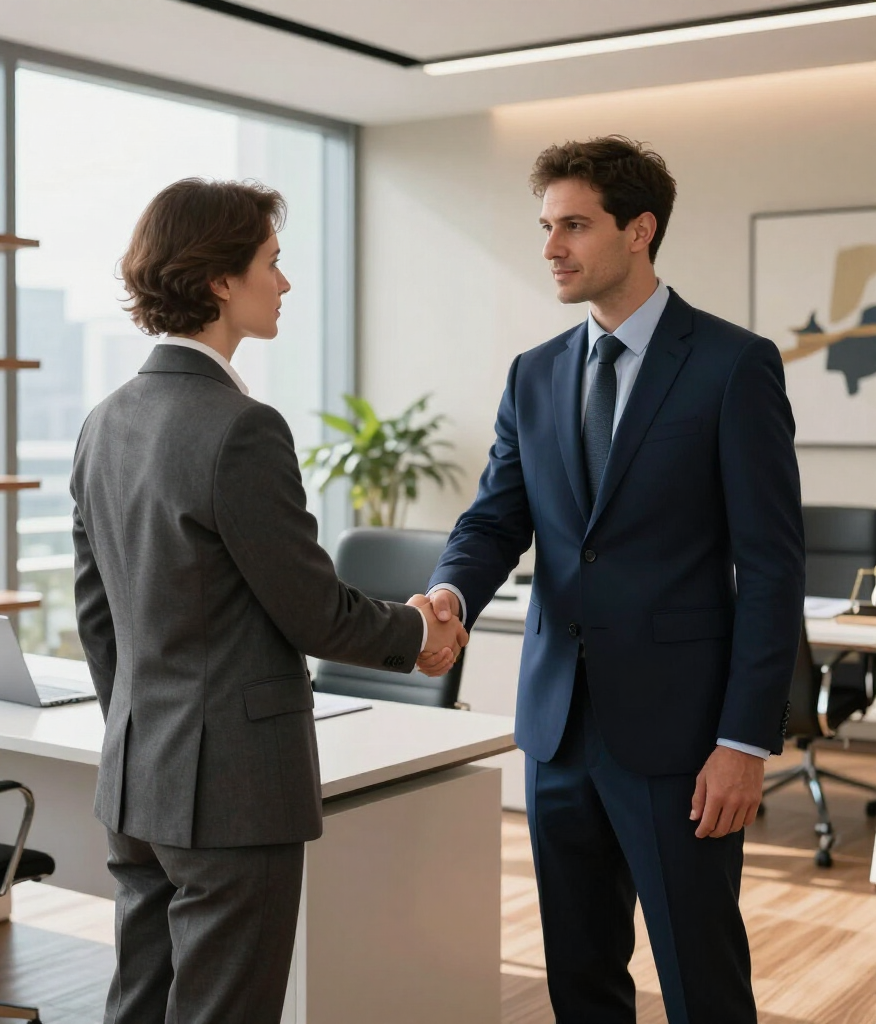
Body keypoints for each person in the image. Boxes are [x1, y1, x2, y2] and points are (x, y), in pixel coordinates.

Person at [416, 136, 805, 1023]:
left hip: (684, 736)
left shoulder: (733, 365)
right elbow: (494, 519)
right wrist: (449, 593)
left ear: (640, 230)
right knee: (580, 977)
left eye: (574, 226)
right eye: (546, 226)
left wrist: (745, 741)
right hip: (557, 725)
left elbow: (773, 566)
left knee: (701, 976)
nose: (552, 246)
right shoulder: (536, 373)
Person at [70, 177, 466, 1024]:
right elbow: (310, 609)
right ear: (220, 279)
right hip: (233, 791)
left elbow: (97, 612)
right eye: (272, 263)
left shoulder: (104, 420)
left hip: (139, 775)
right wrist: (418, 632)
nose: (284, 283)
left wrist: (142, 725)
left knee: (140, 1000)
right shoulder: (239, 427)